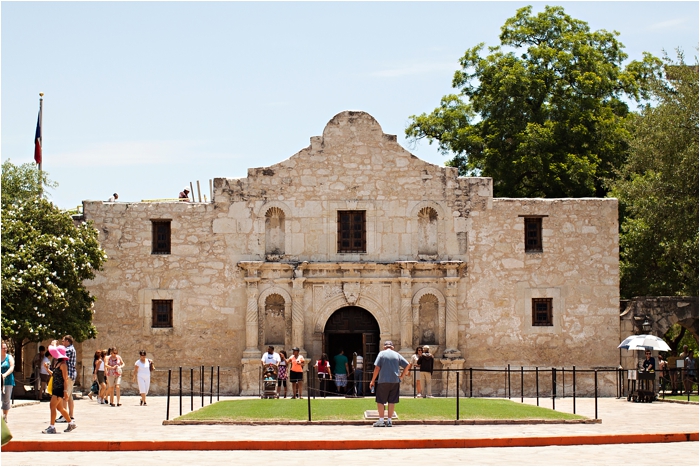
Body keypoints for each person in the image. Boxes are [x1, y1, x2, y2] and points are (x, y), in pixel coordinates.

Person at [369, 341, 410, 427]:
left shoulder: (381, 354)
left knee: (380, 400)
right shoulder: (397, 354)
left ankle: (381, 420)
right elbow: (407, 365)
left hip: (383, 380)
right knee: (392, 401)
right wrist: (402, 376)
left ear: (384, 347)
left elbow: (377, 367)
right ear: (392, 347)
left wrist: (373, 380)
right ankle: (389, 420)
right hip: (395, 380)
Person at [42, 345, 76, 433]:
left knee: (52, 406)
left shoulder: (63, 365)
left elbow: (65, 379)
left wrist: (65, 391)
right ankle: (71, 423)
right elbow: (54, 374)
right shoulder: (57, 363)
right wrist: (47, 369)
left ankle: (52, 427)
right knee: (60, 408)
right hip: (55, 387)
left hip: (59, 388)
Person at [56, 336, 77, 424]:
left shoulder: (69, 349)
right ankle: (70, 415)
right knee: (70, 396)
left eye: (63, 341)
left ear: (67, 341)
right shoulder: (72, 349)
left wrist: (55, 346)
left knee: (65, 395)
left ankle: (64, 416)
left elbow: (60, 355)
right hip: (71, 374)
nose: (62, 343)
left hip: (68, 374)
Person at [1, 342, 15, 423]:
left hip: (8, 381)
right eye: (3, 348)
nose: (5, 349)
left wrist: (5, 375)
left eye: (6, 348)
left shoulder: (9, 357)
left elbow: (12, 367)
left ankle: (5, 416)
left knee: (6, 400)